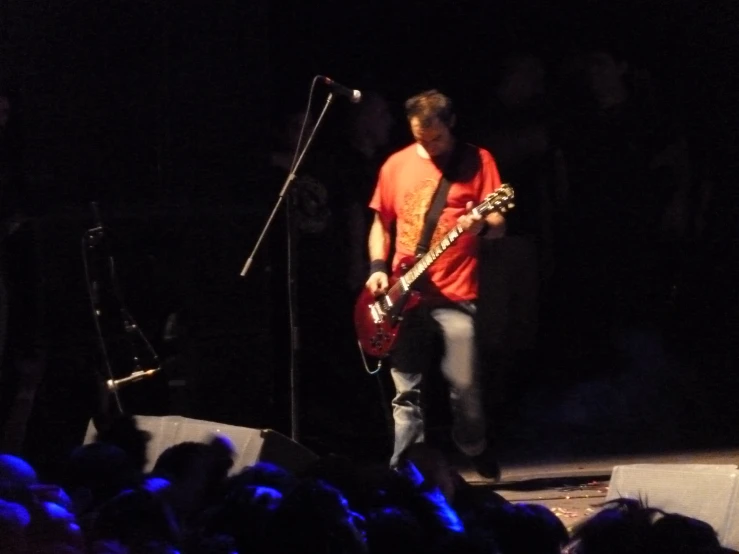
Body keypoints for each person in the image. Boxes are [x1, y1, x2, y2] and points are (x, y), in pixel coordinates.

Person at [365, 89, 506, 479]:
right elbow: (382, 222)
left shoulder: (477, 160)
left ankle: (471, 443)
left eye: (436, 138)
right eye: (419, 138)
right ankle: (404, 472)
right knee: (405, 393)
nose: (428, 145)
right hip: (402, 295)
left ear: (452, 123)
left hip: (457, 295)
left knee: (464, 385)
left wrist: (479, 225)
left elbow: (498, 225)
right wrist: (378, 266)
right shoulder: (395, 165)